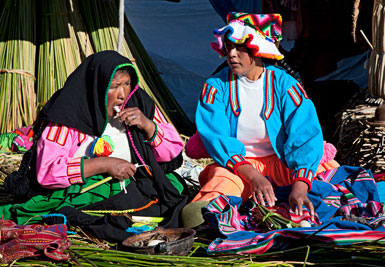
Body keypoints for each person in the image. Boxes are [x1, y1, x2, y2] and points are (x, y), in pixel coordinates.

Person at [2, 50, 188, 242]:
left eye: (127, 84)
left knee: (172, 187)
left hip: (135, 179)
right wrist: (104, 165)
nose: (123, 94)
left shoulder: (139, 103)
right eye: (115, 87)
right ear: (97, 88)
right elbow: (47, 172)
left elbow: (172, 152)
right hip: (88, 187)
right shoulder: (69, 112)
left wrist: (148, 125)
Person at [183, 12, 339, 228]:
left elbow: (304, 134)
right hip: (239, 168)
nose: (232, 55)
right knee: (202, 211)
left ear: (259, 48)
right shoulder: (215, 88)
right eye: (228, 47)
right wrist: (254, 177)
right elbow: (215, 136)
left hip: (285, 162)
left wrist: (300, 185)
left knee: (330, 185)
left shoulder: (285, 85)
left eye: (241, 48)